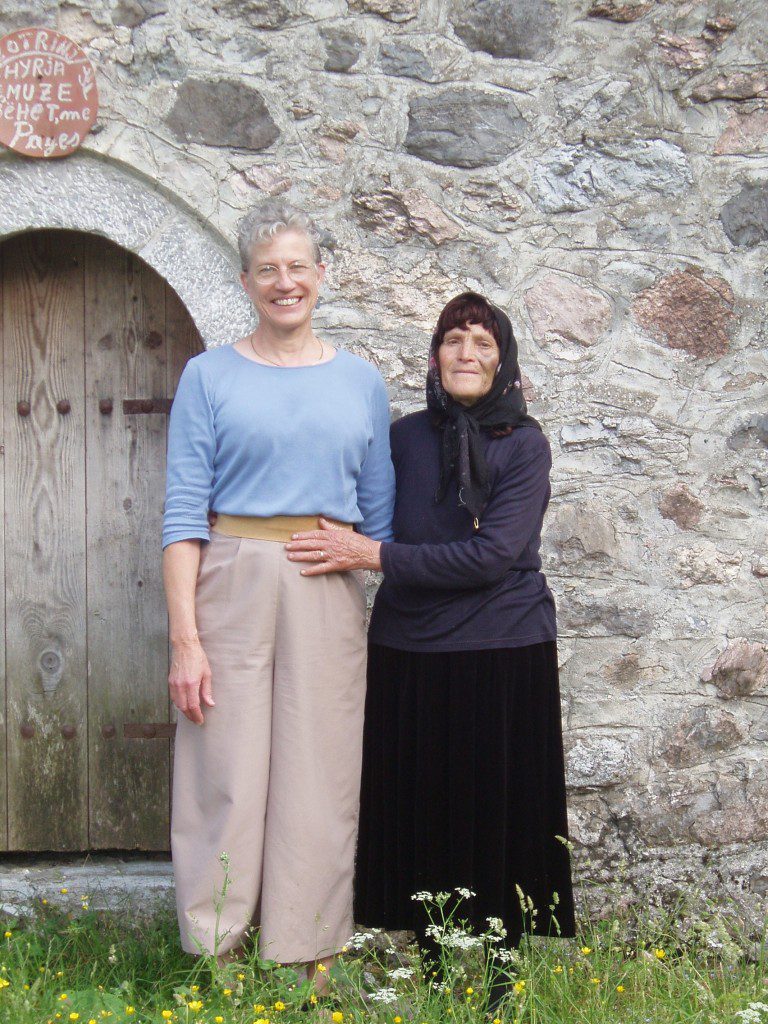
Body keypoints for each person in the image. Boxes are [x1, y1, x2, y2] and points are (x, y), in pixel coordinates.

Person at [286, 291, 576, 1007]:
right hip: (410, 650)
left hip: (502, 652)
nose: (466, 354)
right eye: (453, 340)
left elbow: (492, 557)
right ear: (436, 355)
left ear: (502, 357)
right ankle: (441, 972)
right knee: (425, 815)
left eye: (481, 342)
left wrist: (374, 555)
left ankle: (501, 982)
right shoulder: (406, 437)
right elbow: (361, 507)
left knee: (498, 817)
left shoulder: (525, 444)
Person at [162, 201, 395, 983]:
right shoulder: (208, 376)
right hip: (229, 575)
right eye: (268, 270)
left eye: (298, 266)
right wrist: (186, 639)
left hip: (325, 588)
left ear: (321, 275)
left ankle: (309, 948)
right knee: (220, 766)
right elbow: (183, 514)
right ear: (246, 281)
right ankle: (216, 946)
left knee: (320, 770)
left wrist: (361, 552)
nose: (284, 282)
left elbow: (383, 515)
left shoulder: (362, 383)